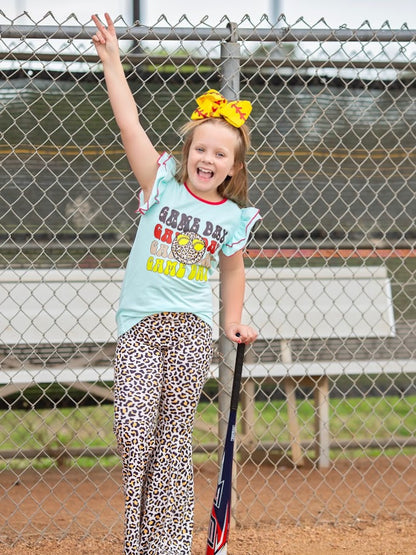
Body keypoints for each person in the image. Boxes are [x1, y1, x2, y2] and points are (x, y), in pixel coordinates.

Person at [91, 13, 261, 555]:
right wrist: (113, 61)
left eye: (219, 153)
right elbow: (130, 126)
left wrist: (232, 321)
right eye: (200, 148)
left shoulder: (232, 218)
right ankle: (140, 537)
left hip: (189, 332)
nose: (207, 158)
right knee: (135, 435)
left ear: (232, 168)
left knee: (172, 445)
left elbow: (233, 270)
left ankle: (160, 547)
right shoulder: (159, 185)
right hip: (140, 330)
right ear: (187, 153)